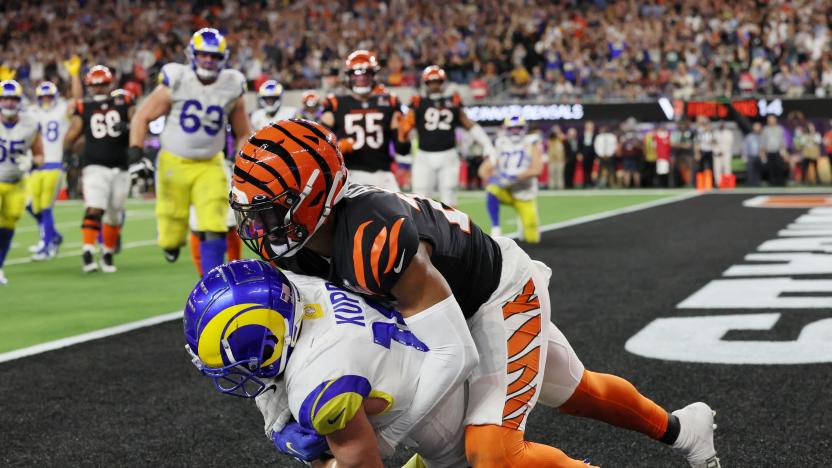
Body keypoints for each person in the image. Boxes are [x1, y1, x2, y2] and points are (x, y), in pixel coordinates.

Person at [230, 119, 721, 468]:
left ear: (316, 196)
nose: (256, 227)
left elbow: (455, 352)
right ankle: (683, 429)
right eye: (249, 211)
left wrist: (390, 437)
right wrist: (278, 423)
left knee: (493, 453)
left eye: (269, 212)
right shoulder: (292, 246)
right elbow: (276, 342)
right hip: (441, 311)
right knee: (571, 390)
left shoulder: (371, 238)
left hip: (494, 296)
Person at [184, 259, 476, 467]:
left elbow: (363, 464)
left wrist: (320, 459)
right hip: (449, 374)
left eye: (240, 365)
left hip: (455, 444)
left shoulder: (319, 381)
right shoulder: (296, 286)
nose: (240, 373)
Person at [129, 28, 251, 274]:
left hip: (210, 163)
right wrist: (135, 156)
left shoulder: (232, 85)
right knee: (172, 230)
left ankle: (211, 279)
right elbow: (141, 117)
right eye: (203, 55)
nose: (208, 60)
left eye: (214, 57)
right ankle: (170, 242)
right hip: (173, 162)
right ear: (192, 55)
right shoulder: (176, 79)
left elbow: (242, 132)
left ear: (223, 58)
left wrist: (242, 162)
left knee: (214, 221)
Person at [63, 66, 135, 273]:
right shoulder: (83, 106)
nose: (99, 89)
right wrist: (66, 154)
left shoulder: (124, 101)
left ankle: (107, 254)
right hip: (94, 165)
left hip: (121, 166)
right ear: (89, 86)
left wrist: (129, 128)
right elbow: (73, 132)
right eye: (95, 85)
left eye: (102, 84)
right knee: (95, 208)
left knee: (114, 214)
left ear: (110, 84)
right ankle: (87, 251)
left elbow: (139, 123)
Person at [402, 65, 495, 206]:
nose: (434, 85)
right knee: (419, 197)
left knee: (449, 196)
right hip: (424, 155)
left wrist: (486, 143)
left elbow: (468, 123)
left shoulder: (447, 101)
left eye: (437, 82)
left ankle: (450, 228)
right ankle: (422, 229)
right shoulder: (418, 102)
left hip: (448, 154)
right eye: (431, 82)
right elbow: (404, 128)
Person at [320, 50, 409, 191]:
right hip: (350, 174)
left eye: (366, 73)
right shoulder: (335, 104)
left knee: (401, 212)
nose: (362, 78)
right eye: (357, 74)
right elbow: (320, 147)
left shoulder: (389, 102)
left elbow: (403, 150)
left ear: (373, 75)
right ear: (349, 76)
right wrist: (337, 149)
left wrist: (403, 136)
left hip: (383, 174)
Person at [0, 80, 44, 284]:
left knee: (8, 227)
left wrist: (32, 163)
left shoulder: (30, 123)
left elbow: (39, 155)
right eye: (5, 99)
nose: (9, 103)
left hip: (16, 182)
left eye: (13, 99)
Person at [26, 78, 74, 260]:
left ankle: (48, 245)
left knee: (46, 207)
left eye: (48, 96)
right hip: (36, 165)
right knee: (29, 203)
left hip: (54, 163)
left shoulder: (62, 109)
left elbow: (75, 102)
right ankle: (53, 235)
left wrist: (74, 75)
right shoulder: (32, 111)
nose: (46, 99)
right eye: (43, 96)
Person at [480, 115, 543, 242]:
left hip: (525, 193)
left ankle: (521, 219)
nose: (515, 131)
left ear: (524, 128)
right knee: (492, 189)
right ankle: (496, 227)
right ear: (506, 129)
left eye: (518, 128)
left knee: (533, 239)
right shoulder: (501, 143)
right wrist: (492, 179)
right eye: (512, 128)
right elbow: (482, 170)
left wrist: (512, 178)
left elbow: (537, 169)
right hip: (506, 191)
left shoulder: (532, 142)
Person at [760, 115, 787, 186]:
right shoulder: (765, 129)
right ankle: (772, 183)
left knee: (779, 167)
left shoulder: (780, 129)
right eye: (769, 120)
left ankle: (781, 182)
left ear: (775, 120)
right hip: (769, 152)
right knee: (770, 168)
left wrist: (784, 153)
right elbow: (763, 141)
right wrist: (762, 153)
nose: (771, 121)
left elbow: (782, 141)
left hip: (778, 151)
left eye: (772, 119)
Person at [693, 116, 716, 187]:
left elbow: (715, 141)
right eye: (705, 125)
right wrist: (697, 153)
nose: (706, 126)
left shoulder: (712, 132)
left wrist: (711, 142)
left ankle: (711, 183)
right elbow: (697, 143)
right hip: (702, 151)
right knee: (700, 168)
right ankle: (700, 183)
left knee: (711, 168)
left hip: (710, 151)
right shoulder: (700, 132)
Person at [742, 122, 763, 187]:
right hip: (750, 156)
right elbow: (744, 147)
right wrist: (744, 156)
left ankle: (757, 184)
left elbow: (763, 146)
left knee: (758, 171)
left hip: (759, 156)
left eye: (758, 127)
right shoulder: (749, 136)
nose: (757, 128)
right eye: (755, 127)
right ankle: (749, 184)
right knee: (750, 171)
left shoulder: (762, 136)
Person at [579, 120, 597, 188]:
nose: (589, 128)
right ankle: (585, 182)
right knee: (584, 169)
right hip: (584, 154)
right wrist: (580, 153)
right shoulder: (581, 135)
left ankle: (591, 182)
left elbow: (596, 146)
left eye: (591, 126)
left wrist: (596, 156)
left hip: (592, 155)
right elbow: (579, 145)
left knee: (592, 169)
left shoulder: (595, 135)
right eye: (588, 126)